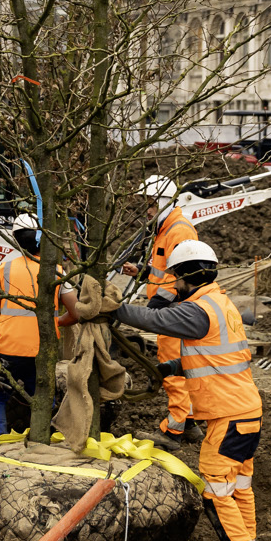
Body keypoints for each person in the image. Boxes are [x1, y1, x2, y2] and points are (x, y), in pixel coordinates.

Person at [84, 238, 265, 541]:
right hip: (244, 411)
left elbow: (155, 319)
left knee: (215, 490)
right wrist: (177, 367)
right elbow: (220, 357)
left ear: (187, 276)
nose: (174, 285)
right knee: (239, 486)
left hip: (228, 416)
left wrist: (112, 309)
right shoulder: (220, 303)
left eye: (176, 279)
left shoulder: (197, 309)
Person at [0, 212, 81, 435]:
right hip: (41, 351)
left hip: (7, 350)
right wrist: (57, 322)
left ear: (16, 239)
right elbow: (76, 313)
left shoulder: (4, 270)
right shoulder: (57, 272)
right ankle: (42, 437)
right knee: (44, 396)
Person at [121, 175, 199, 441]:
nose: (147, 209)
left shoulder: (178, 230)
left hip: (173, 310)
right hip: (171, 308)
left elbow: (179, 278)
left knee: (172, 370)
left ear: (165, 202)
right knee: (180, 367)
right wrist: (142, 273)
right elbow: (164, 271)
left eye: (151, 203)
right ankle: (188, 424)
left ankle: (173, 432)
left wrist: (155, 308)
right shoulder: (165, 229)